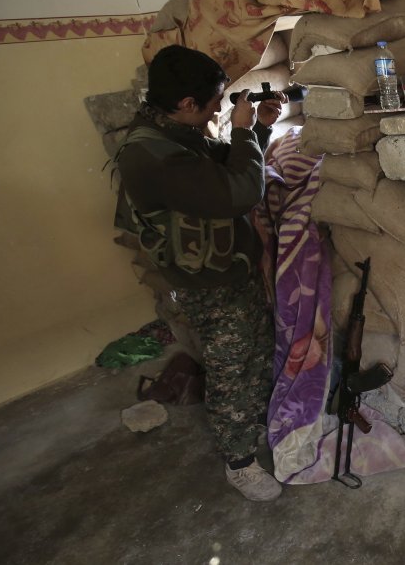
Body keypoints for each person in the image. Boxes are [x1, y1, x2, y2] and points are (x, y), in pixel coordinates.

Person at [116, 45, 285, 501]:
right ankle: (239, 462)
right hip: (208, 284)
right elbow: (238, 192)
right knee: (232, 368)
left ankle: (258, 425)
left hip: (230, 268)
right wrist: (245, 133)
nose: (217, 111)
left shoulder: (171, 133)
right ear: (188, 104)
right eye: (213, 104)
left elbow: (223, 163)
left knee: (255, 354)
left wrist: (261, 129)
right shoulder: (151, 154)